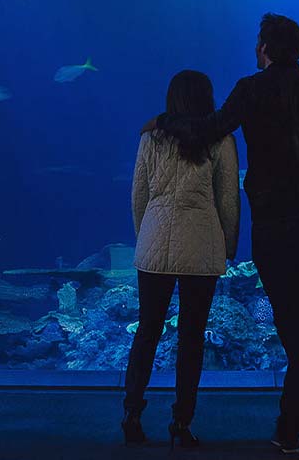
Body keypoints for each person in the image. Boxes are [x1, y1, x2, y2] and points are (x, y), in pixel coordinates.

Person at [149, 13, 299, 454]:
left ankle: (291, 429)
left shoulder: (251, 89)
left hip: (273, 222)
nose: (255, 50)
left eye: (257, 44)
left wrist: (164, 122)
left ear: (265, 49)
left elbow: (209, 129)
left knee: (294, 328)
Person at [122, 70, 241, 448]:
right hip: (201, 244)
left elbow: (138, 194)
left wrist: (145, 237)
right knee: (192, 338)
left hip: (154, 242)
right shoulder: (221, 139)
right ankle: (182, 422)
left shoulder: (150, 138)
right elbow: (228, 200)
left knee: (147, 332)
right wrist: (229, 244)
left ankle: (132, 413)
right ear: (207, 98)